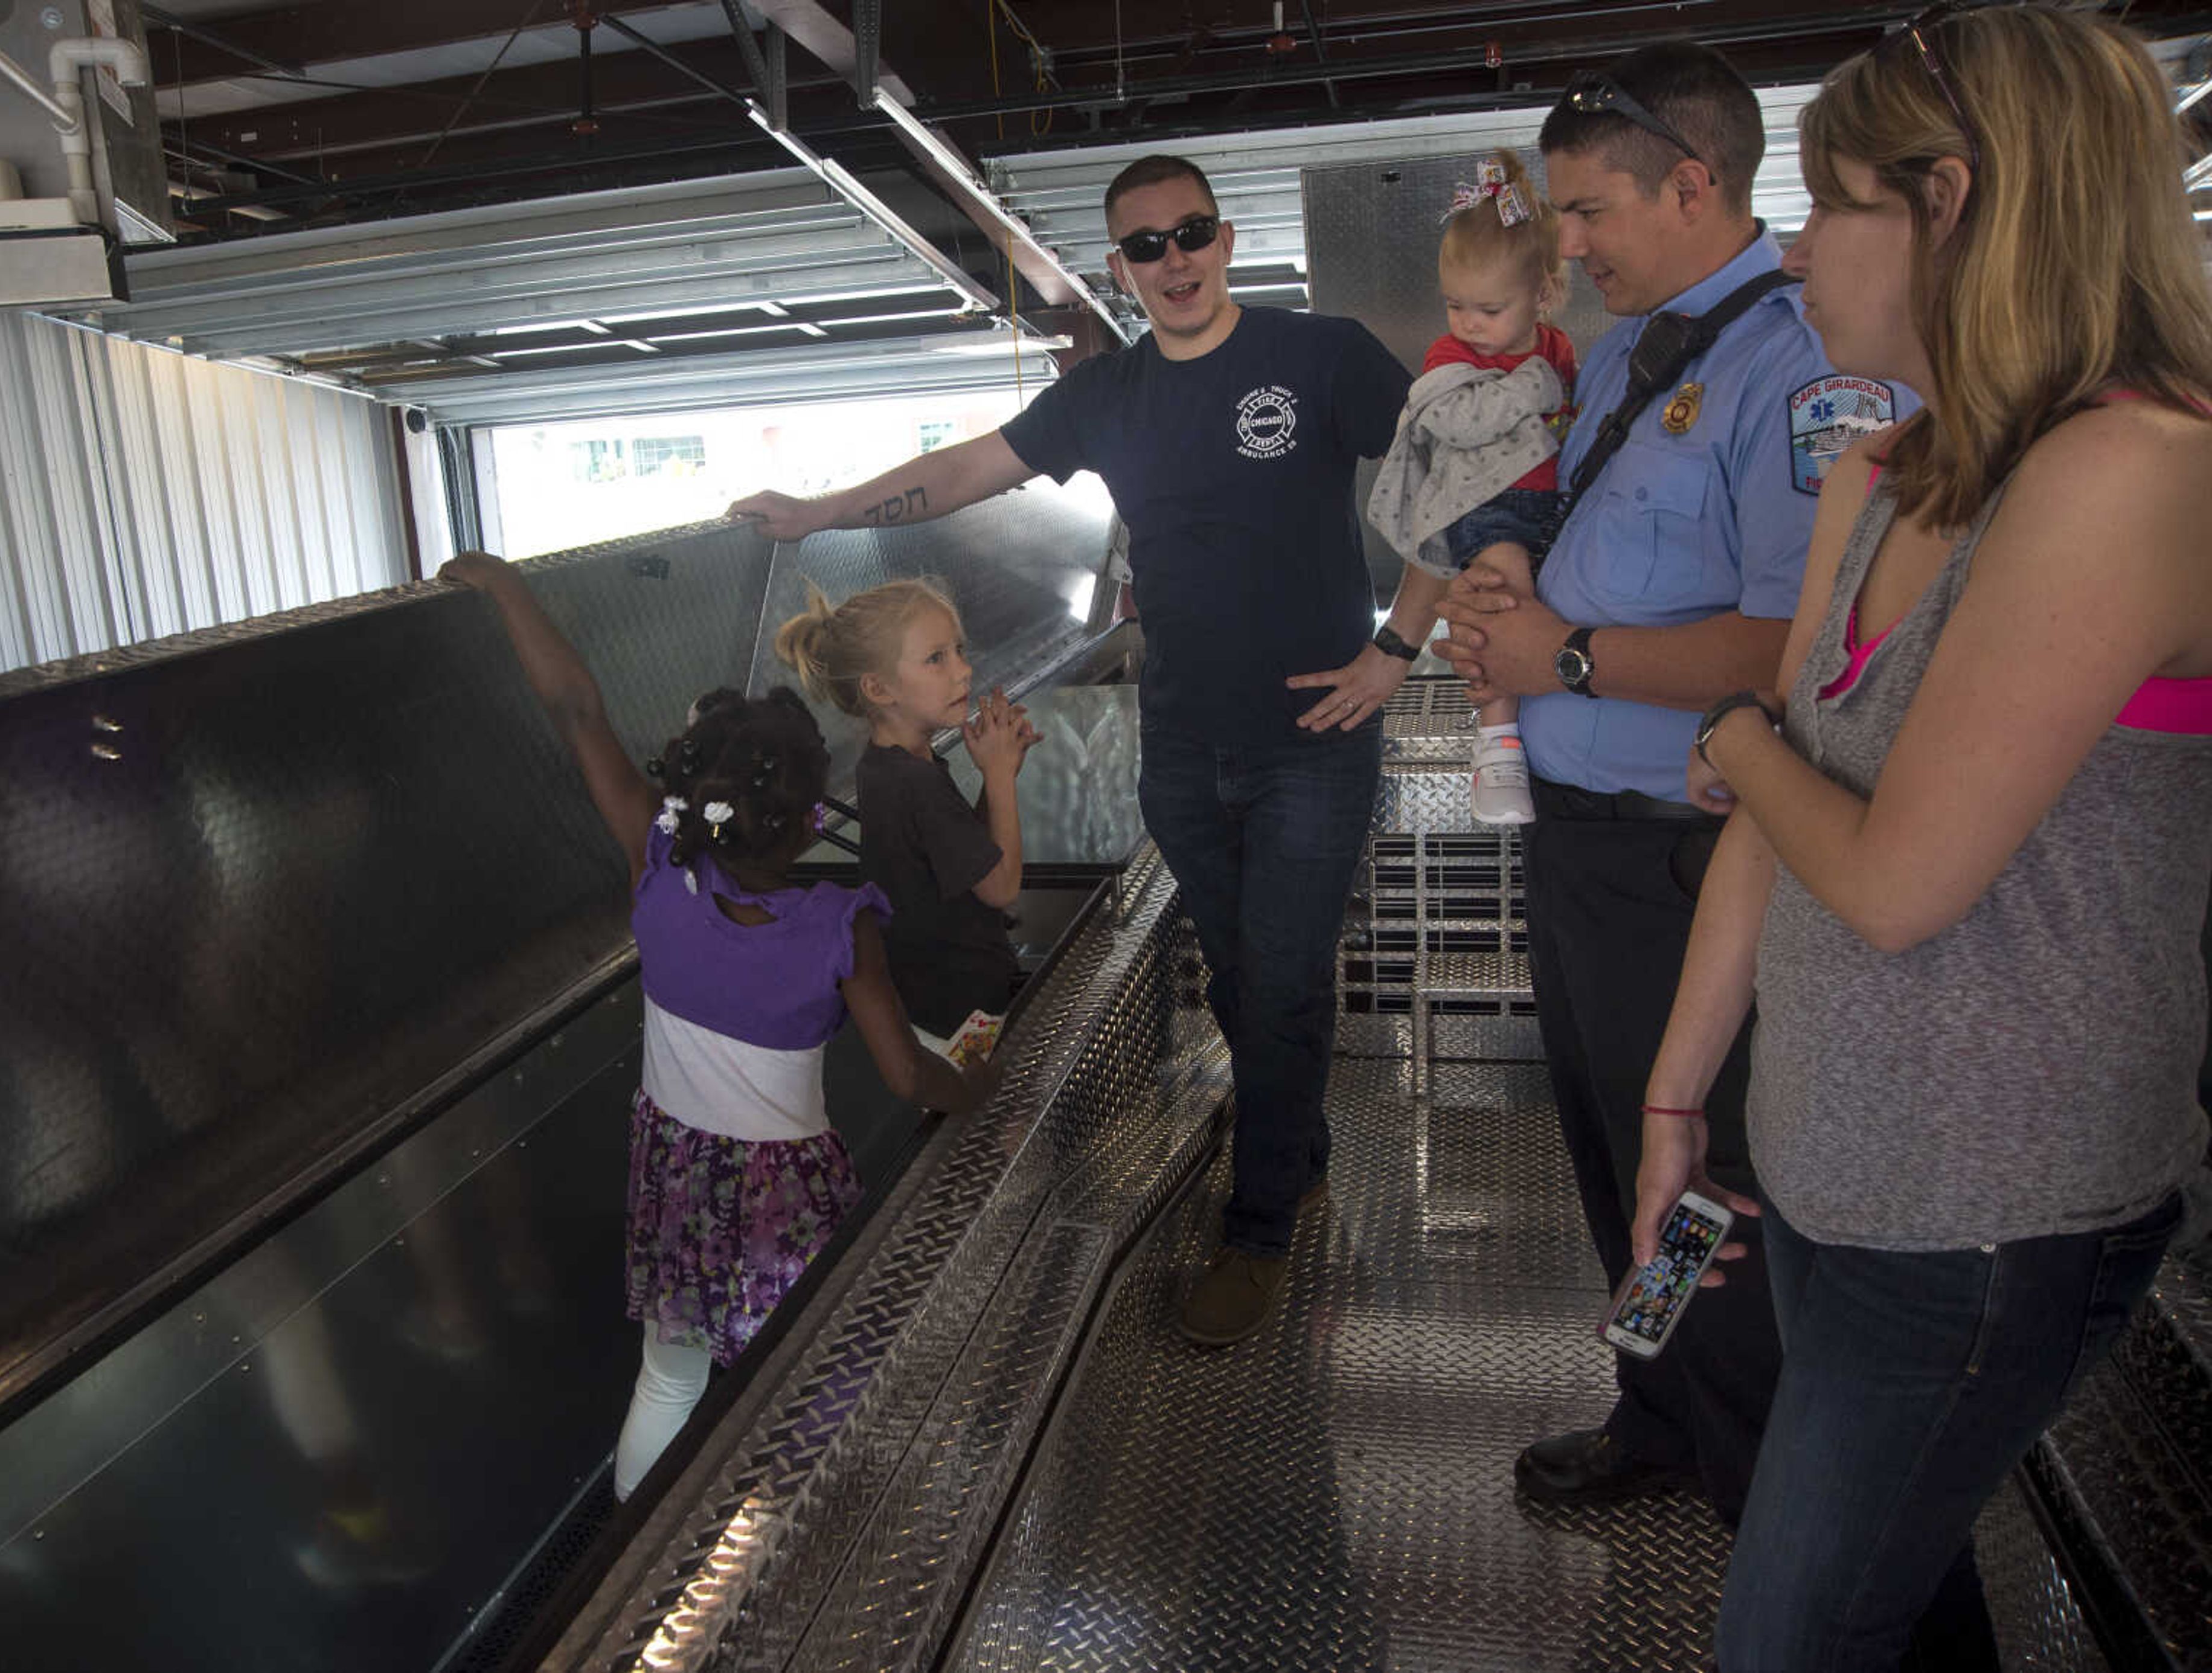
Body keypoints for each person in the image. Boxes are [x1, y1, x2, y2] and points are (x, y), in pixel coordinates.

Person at [1626, 9, 2212, 1666]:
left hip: (1986, 1209)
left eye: (1831, 204)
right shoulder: (1883, 470)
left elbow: (1890, 880)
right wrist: (1683, 1094)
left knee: (1790, 1639)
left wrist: (1734, 734)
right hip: (1835, 1165)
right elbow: (1783, 828)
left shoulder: (2134, 472)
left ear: (1952, 202)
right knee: (1897, 1595)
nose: (1800, 251)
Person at [732, 153, 1431, 1347]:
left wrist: (1399, 648)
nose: (1174, 260)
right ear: (1120, 267)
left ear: (1225, 238)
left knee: (1282, 975)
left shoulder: (1319, 357)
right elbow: (961, 470)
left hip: (1313, 743)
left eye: (1191, 233)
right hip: (1185, 747)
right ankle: (1295, 1149)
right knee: (1244, 975)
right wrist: (819, 512)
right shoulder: (1107, 395)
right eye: (1146, 246)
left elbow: (1448, 474)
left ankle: (1259, 1223)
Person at [1434, 40, 1909, 1525]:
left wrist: (1559, 659)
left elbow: (1796, 641)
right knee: (1609, 1153)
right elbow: (1579, 518)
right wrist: (1509, 568)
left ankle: (1755, 1474)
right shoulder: (1645, 354)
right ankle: (1654, 1399)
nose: (1563, 247)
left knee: (1702, 1180)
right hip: (1579, 849)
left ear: (1691, 184)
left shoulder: (1796, 367)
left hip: (1687, 864)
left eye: (1586, 214)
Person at [439, 551, 993, 1503]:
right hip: (785, 1198)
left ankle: (638, 1563)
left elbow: (578, 709)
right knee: (820, 1378)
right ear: (812, 812)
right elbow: (907, 1076)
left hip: (676, 1169)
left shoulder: (656, 867)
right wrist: (979, 1087)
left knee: (670, 1372)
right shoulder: (840, 922)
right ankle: (823, 1525)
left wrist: (503, 587)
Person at [1367, 148, 1578, 824]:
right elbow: (1459, 422)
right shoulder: (1449, 357)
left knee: (1537, 607)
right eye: (1456, 305)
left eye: (1489, 308)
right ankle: (1497, 741)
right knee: (1498, 600)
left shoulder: (1556, 346)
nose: (1469, 324)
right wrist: (1533, 386)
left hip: (1550, 504)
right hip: (1488, 508)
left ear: (1542, 295)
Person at [775, 578, 1040, 1050]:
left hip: (935, 1005)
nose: (963, 671)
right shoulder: (913, 781)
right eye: (936, 658)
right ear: (878, 688)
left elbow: (969, 857)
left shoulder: (890, 764)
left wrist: (1001, 772)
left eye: (959, 650)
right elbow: (1001, 887)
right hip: (957, 1015)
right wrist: (998, 777)